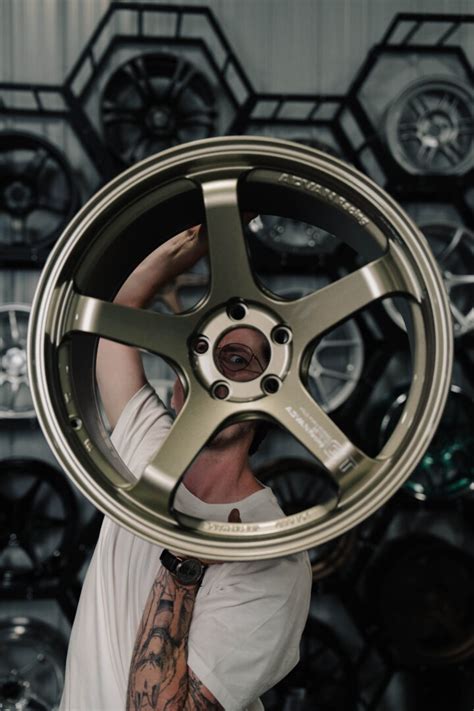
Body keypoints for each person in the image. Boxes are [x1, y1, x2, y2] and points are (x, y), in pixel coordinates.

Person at [59, 222, 312, 711]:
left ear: (271, 397)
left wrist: (185, 562)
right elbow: (115, 315)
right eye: (200, 356)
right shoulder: (146, 449)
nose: (212, 375)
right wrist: (194, 241)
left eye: (235, 360)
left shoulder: (272, 557)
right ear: (177, 387)